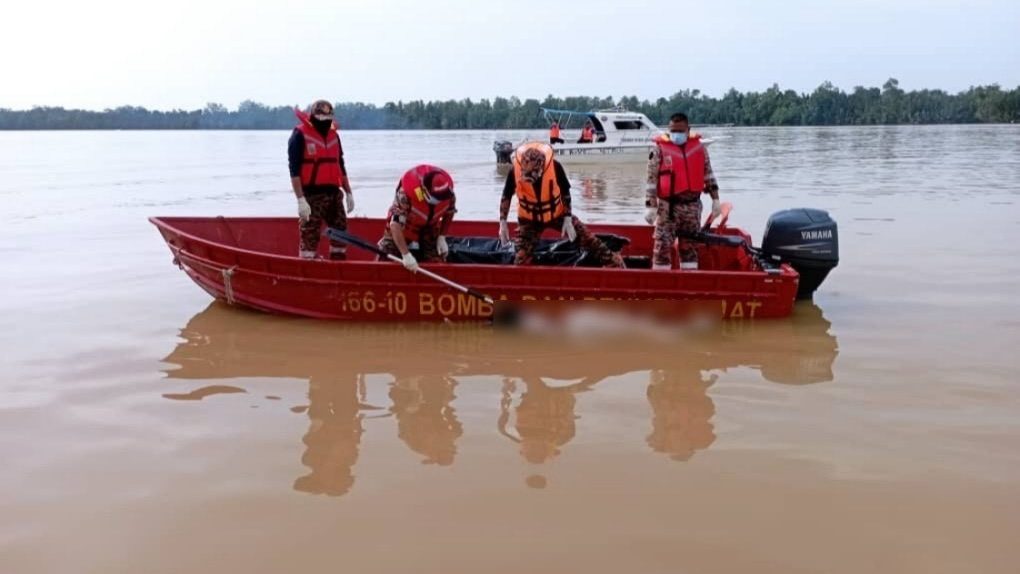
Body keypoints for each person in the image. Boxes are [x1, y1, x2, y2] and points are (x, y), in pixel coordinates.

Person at [498, 142, 624, 268]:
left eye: (533, 174)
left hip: (556, 214)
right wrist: (503, 222)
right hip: (530, 219)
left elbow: (566, 193)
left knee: (587, 237)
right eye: (527, 175)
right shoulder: (515, 171)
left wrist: (568, 218)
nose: (530, 178)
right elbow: (506, 196)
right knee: (521, 257)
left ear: (541, 168)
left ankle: (614, 262)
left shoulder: (555, 167)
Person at [644, 112, 721, 270]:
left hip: (692, 206)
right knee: (662, 247)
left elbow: (709, 175)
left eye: (680, 131)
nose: (676, 134)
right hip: (668, 208)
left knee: (690, 248)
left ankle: (689, 281)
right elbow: (651, 181)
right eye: (673, 131)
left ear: (688, 130)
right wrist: (650, 206)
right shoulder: (659, 150)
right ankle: (660, 284)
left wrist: (715, 200)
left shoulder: (699, 149)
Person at [288, 99, 354, 260]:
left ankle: (338, 265)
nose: (326, 122)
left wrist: (349, 193)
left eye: (329, 118)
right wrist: (300, 200)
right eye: (322, 119)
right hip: (311, 194)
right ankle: (307, 266)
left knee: (340, 232)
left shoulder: (334, 136)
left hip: (334, 193)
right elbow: (294, 170)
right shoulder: (299, 135)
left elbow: (341, 165)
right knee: (309, 233)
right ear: (314, 116)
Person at [378, 164, 457, 272]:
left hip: (429, 228)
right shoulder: (405, 195)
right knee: (384, 256)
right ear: (424, 190)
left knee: (437, 262)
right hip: (404, 228)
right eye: (436, 198)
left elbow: (449, 212)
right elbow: (395, 225)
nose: (439, 201)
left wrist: (442, 237)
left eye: (442, 198)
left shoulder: (448, 194)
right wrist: (406, 255)